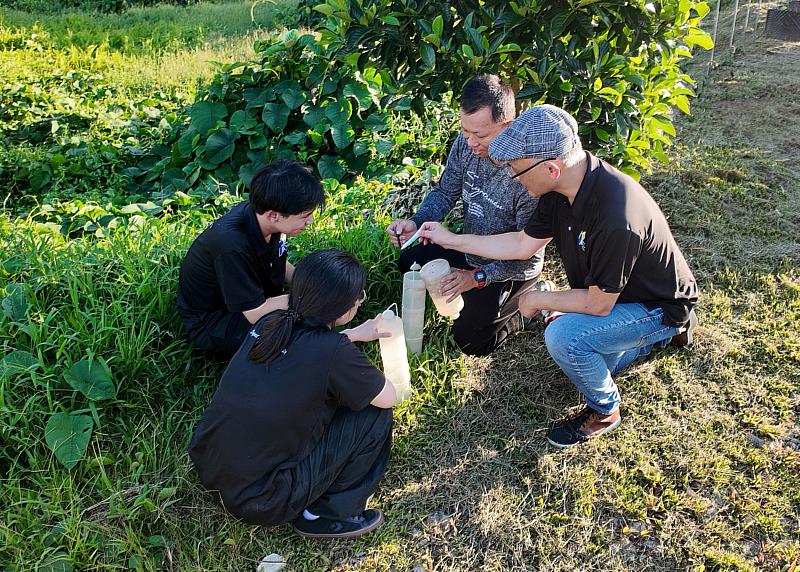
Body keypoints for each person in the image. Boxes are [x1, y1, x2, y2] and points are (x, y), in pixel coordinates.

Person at [417, 104, 699, 448]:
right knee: (594, 355)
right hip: (616, 295)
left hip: (653, 305)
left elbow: (597, 304)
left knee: (566, 337)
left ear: (551, 168)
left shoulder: (615, 216)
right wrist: (452, 239)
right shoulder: (564, 187)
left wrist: (537, 298)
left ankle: (605, 409)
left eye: (516, 169)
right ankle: (660, 340)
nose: (512, 177)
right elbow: (523, 244)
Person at [189, 249, 399, 539]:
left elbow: (306, 353)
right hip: (264, 499)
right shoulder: (335, 353)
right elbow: (387, 396)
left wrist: (352, 335)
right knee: (373, 413)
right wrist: (349, 352)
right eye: (359, 297)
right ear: (347, 308)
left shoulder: (270, 324)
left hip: (210, 466)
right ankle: (326, 514)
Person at [386, 75, 548, 357]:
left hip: (510, 268)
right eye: (465, 131)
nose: (471, 142)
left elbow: (528, 255)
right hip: (467, 248)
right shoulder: (465, 146)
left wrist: (477, 277)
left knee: (472, 342)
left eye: (481, 135)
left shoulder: (527, 175)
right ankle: (472, 291)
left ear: (507, 126)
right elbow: (445, 193)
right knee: (408, 260)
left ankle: (524, 306)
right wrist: (415, 222)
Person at [177, 159, 325, 359]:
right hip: (219, 323)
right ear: (274, 215)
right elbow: (255, 312)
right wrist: (316, 293)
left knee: (316, 312)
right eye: (304, 216)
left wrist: (311, 282)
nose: (310, 221)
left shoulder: (267, 212)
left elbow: (280, 262)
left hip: (253, 296)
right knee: (304, 333)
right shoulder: (231, 245)